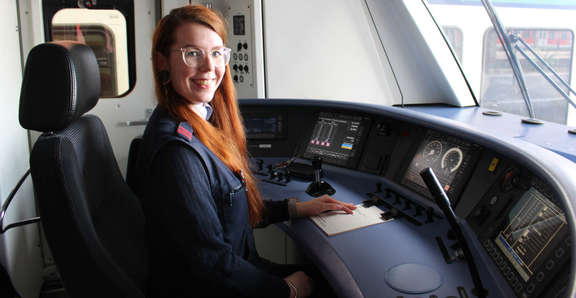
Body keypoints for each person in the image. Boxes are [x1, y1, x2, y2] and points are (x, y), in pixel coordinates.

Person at [135, 5, 356, 298]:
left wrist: (295, 208)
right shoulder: (178, 154)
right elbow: (212, 266)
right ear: (163, 62)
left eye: (216, 53)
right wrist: (287, 289)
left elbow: (227, 210)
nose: (208, 68)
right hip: (216, 287)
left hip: (232, 272)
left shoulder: (198, 120)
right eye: (192, 53)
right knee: (335, 284)